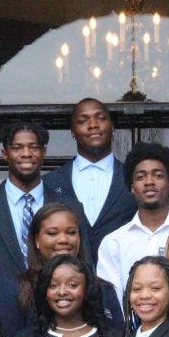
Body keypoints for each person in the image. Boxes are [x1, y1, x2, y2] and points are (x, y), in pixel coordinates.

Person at [0, 121, 86, 337]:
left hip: (62, 321)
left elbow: (84, 262)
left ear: (44, 152)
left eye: (34, 147)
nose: (26, 153)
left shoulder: (70, 207)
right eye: (17, 147)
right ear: (4, 154)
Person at [43, 98, 138, 262]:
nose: (93, 124)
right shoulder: (50, 183)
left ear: (112, 126)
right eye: (83, 120)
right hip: (67, 281)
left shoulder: (134, 178)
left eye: (101, 118)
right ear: (72, 132)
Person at [96, 142, 169, 302]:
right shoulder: (113, 242)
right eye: (141, 176)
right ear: (132, 187)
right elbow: (112, 302)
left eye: (158, 175)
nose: (149, 182)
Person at [17, 202, 124, 332]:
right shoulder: (19, 288)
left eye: (71, 232)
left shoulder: (104, 289)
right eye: (52, 233)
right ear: (37, 241)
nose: (63, 239)